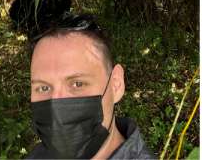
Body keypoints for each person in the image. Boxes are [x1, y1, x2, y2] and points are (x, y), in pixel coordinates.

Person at [26, 14, 153, 159]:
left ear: (115, 85)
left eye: (77, 84)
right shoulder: (41, 154)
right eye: (43, 88)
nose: (57, 105)